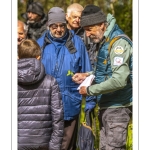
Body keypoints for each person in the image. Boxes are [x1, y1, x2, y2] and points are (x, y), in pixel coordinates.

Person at [72, 4, 132, 150]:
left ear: (101, 24)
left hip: (117, 108)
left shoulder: (118, 43)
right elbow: (107, 71)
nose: (87, 35)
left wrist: (91, 90)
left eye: (89, 29)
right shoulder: (105, 41)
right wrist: (87, 75)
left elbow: (119, 80)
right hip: (107, 106)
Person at [37, 7, 96, 150]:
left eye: (61, 26)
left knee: (67, 146)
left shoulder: (77, 43)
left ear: (66, 25)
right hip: (46, 107)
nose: (58, 29)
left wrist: (90, 104)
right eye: (54, 26)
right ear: (48, 26)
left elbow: (89, 73)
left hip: (70, 105)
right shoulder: (40, 44)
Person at [18, 39, 64, 150]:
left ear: (18, 57)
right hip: (43, 142)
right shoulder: (50, 81)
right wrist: (55, 145)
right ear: (39, 57)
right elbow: (58, 116)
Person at [66, 3, 97, 70]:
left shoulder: (87, 34)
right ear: (67, 16)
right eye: (74, 17)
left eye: (80, 18)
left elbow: (92, 57)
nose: (77, 20)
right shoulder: (60, 33)